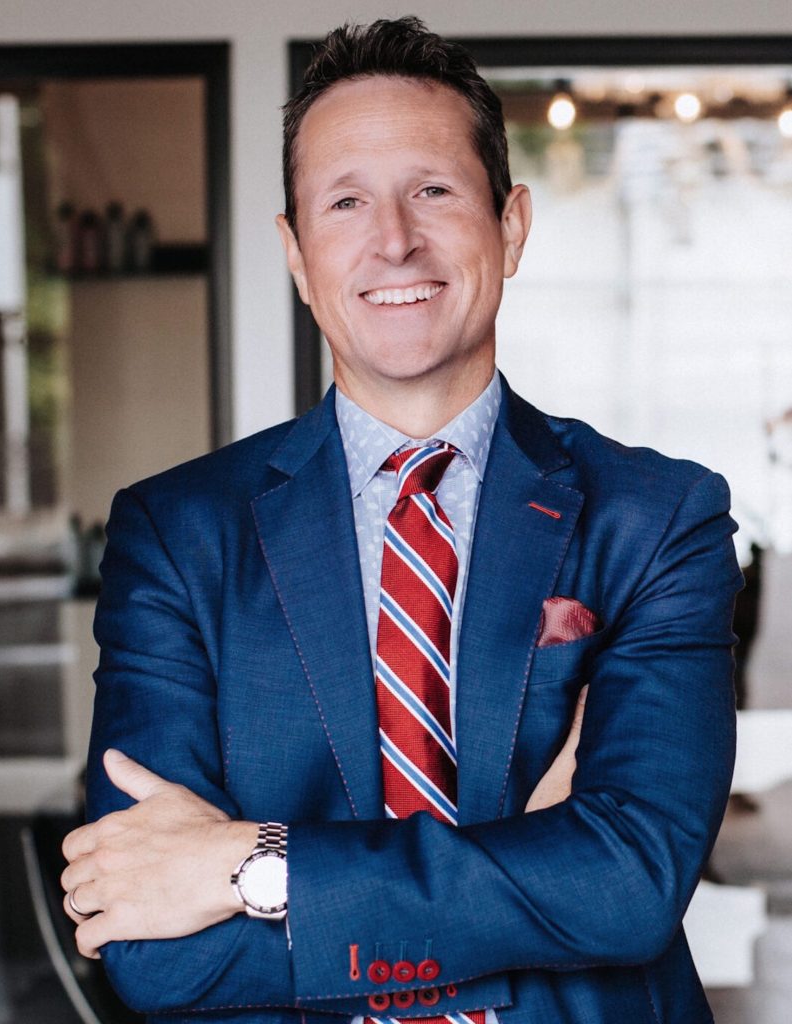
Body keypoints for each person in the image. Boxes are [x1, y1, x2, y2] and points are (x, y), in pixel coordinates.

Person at [60, 17, 742, 1024]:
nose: (392, 240)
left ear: (510, 226)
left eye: (432, 190)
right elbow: (154, 954)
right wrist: (536, 889)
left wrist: (258, 868)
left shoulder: (656, 518)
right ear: (296, 254)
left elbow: (631, 886)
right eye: (344, 202)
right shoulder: (175, 535)